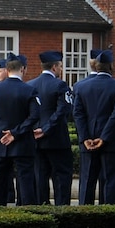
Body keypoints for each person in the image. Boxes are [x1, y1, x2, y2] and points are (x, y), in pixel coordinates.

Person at [73, 50, 115, 204]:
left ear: (95, 66)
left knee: (87, 182)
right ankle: (108, 217)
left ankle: (84, 216)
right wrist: (103, 138)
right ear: (111, 66)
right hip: (112, 143)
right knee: (111, 183)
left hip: (88, 141)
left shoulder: (81, 87)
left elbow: (78, 114)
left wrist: (85, 138)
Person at [0, 54, 39, 205]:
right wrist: (16, 133)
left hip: (0, 140)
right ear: (23, 69)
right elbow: (34, 116)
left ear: (7, 69)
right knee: (26, 181)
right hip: (22, 141)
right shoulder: (29, 90)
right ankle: (28, 213)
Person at [30, 50, 75, 205]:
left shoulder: (30, 85)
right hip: (57, 140)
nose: (61, 70)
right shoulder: (60, 85)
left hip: (35, 139)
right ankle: (61, 209)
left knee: (39, 176)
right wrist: (46, 128)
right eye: (61, 66)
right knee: (61, 176)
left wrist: (36, 129)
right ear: (55, 67)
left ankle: (41, 208)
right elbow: (64, 111)